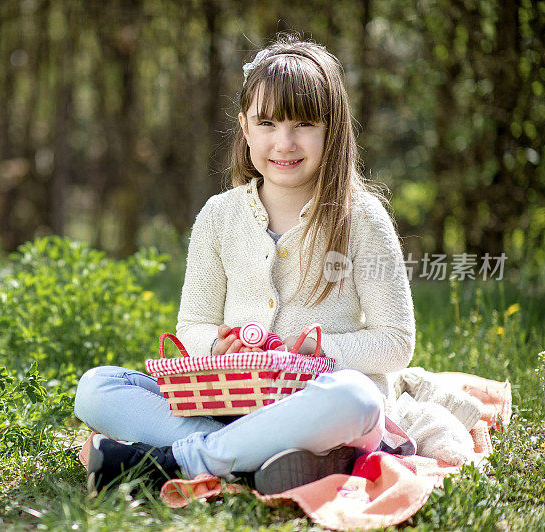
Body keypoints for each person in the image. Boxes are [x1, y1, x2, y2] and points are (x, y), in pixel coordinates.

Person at [74, 33, 415, 496]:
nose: (285, 141)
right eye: (268, 123)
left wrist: (311, 353)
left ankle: (177, 461)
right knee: (97, 387)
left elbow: (396, 343)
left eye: (304, 124)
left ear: (332, 130)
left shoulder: (361, 217)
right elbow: (193, 324)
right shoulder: (219, 215)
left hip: (319, 401)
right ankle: (256, 459)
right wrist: (217, 349)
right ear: (245, 128)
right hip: (228, 401)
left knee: (355, 398)